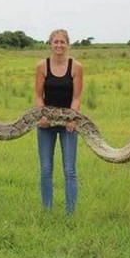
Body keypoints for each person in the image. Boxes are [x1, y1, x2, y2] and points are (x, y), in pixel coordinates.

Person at [34, 29, 84, 214]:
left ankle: (70, 212)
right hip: (46, 124)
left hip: (68, 124)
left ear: (67, 44)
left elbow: (77, 98)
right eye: (55, 42)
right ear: (50, 43)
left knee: (70, 170)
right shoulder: (42, 66)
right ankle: (47, 210)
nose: (59, 45)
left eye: (62, 42)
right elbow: (39, 96)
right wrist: (42, 116)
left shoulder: (76, 67)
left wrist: (72, 118)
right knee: (46, 169)